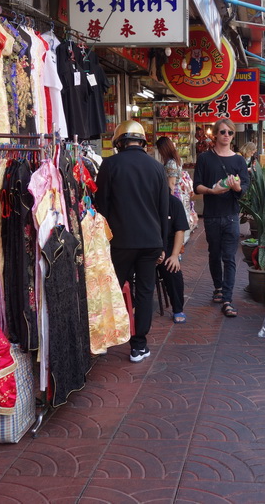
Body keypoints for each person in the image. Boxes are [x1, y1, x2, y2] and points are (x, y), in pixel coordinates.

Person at [95, 120, 169, 363]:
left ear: (119, 142)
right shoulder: (157, 168)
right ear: (142, 142)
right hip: (150, 242)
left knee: (112, 289)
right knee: (145, 292)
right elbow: (163, 209)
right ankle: (139, 345)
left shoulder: (110, 164)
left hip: (120, 242)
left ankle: (106, 339)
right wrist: (162, 246)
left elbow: (101, 207)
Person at [193, 118, 249, 318]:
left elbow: (244, 191)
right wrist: (211, 191)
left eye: (230, 133)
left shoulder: (239, 161)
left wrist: (237, 188)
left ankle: (227, 298)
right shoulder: (205, 159)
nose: (226, 135)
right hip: (211, 215)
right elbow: (197, 186)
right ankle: (218, 287)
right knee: (214, 254)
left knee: (230, 257)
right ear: (215, 134)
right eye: (223, 132)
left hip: (231, 216)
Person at [156, 135, 198, 239]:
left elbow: (171, 183)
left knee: (174, 223)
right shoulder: (175, 160)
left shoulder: (170, 163)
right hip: (178, 193)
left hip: (174, 194)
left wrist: (168, 200)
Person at [158, 192, 189, 324]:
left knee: (172, 267)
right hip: (148, 245)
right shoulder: (143, 201)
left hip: (169, 245)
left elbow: (180, 230)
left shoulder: (174, 203)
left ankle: (178, 308)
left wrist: (175, 255)